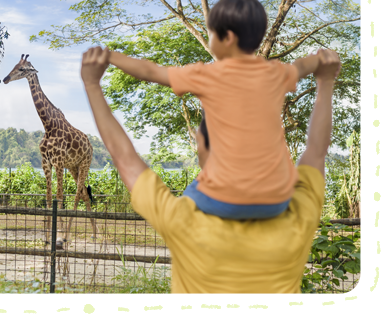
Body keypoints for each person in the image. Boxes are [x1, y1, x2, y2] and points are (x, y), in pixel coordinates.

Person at [80, 45, 341, 295]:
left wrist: (92, 84)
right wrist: (325, 83)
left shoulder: (184, 221)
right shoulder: (296, 215)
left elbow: (124, 157)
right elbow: (316, 151)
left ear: (203, 147)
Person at [107, 0, 323, 219]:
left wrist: (110, 56)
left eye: (210, 33)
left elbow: (151, 72)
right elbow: (302, 66)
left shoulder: (207, 74)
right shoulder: (277, 73)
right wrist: (321, 58)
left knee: (186, 201)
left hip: (226, 200)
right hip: (277, 199)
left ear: (227, 37)